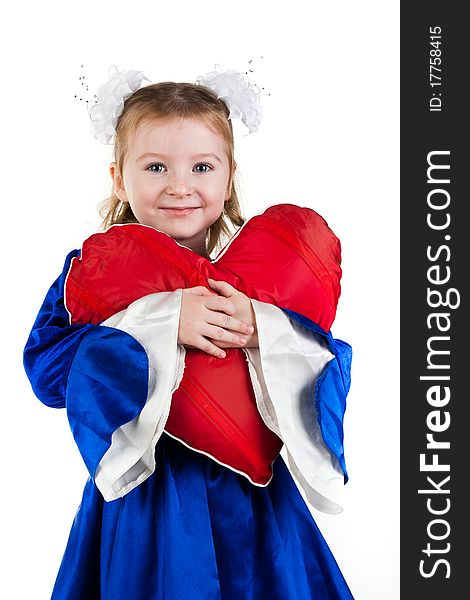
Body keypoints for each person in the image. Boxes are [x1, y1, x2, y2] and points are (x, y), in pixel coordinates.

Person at [23, 65, 355, 599]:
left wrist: (263, 330)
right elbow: (48, 370)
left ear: (228, 178)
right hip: (148, 494)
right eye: (155, 166)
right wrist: (160, 322)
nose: (181, 186)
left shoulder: (270, 284)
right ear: (118, 178)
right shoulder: (93, 276)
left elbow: (327, 364)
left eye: (202, 166)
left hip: (254, 497)